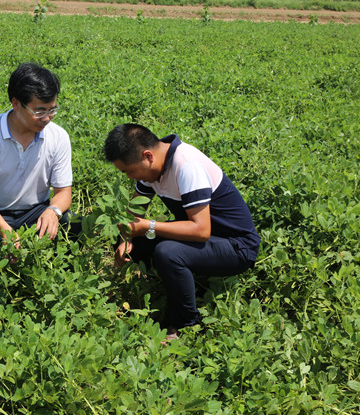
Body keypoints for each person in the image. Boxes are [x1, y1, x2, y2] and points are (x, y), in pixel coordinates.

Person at [103, 124, 260, 340]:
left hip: (236, 247)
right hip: (203, 239)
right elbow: (133, 215)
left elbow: (201, 230)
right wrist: (126, 239)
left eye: (128, 171)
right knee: (130, 238)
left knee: (169, 253)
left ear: (147, 156)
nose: (129, 177)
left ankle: (185, 323)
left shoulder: (186, 166)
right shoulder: (152, 170)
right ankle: (173, 282)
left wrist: (149, 226)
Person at [0, 63, 78, 244]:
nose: (47, 118)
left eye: (52, 110)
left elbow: (64, 192)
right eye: (39, 111)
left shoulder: (58, 136)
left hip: (36, 211)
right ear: (16, 103)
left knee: (76, 225)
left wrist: (53, 211)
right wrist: (5, 231)